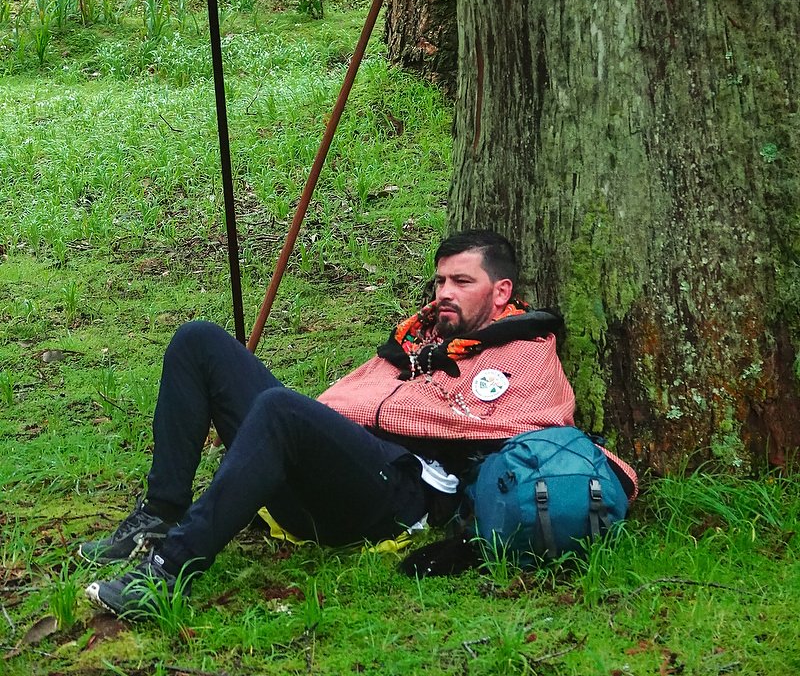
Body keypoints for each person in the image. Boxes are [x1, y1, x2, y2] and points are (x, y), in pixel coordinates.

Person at [81, 229, 635, 616]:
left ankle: (167, 571)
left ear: (501, 292)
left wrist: (418, 415)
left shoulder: (524, 351)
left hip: (395, 496)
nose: (443, 294)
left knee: (279, 409)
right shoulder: (417, 338)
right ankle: (160, 512)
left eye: (462, 282)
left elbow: (541, 424)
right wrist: (327, 423)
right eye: (440, 281)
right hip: (338, 471)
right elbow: (354, 398)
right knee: (198, 340)